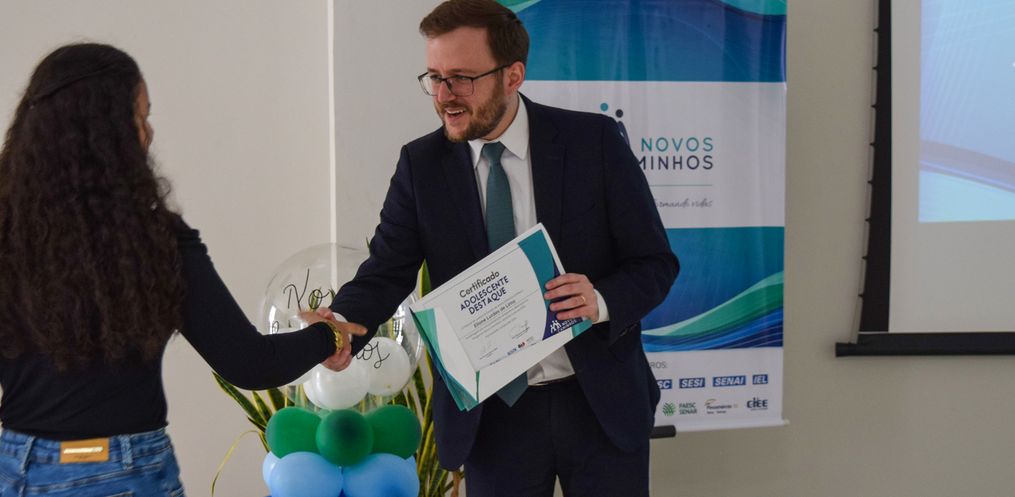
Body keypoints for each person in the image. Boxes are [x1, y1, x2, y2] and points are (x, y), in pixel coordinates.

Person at [325, 1, 679, 495]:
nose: (444, 96)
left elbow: (655, 263)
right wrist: (339, 328)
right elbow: (385, 273)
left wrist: (599, 300)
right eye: (435, 78)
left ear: (513, 76)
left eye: (461, 79)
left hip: (599, 405)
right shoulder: (421, 166)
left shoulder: (592, 142)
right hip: (494, 420)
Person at [0, 43, 364, 497]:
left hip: (16, 470)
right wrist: (329, 335)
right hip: (125, 473)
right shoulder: (155, 241)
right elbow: (249, 363)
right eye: (140, 117)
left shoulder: (7, 235)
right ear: (109, 135)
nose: (149, 133)